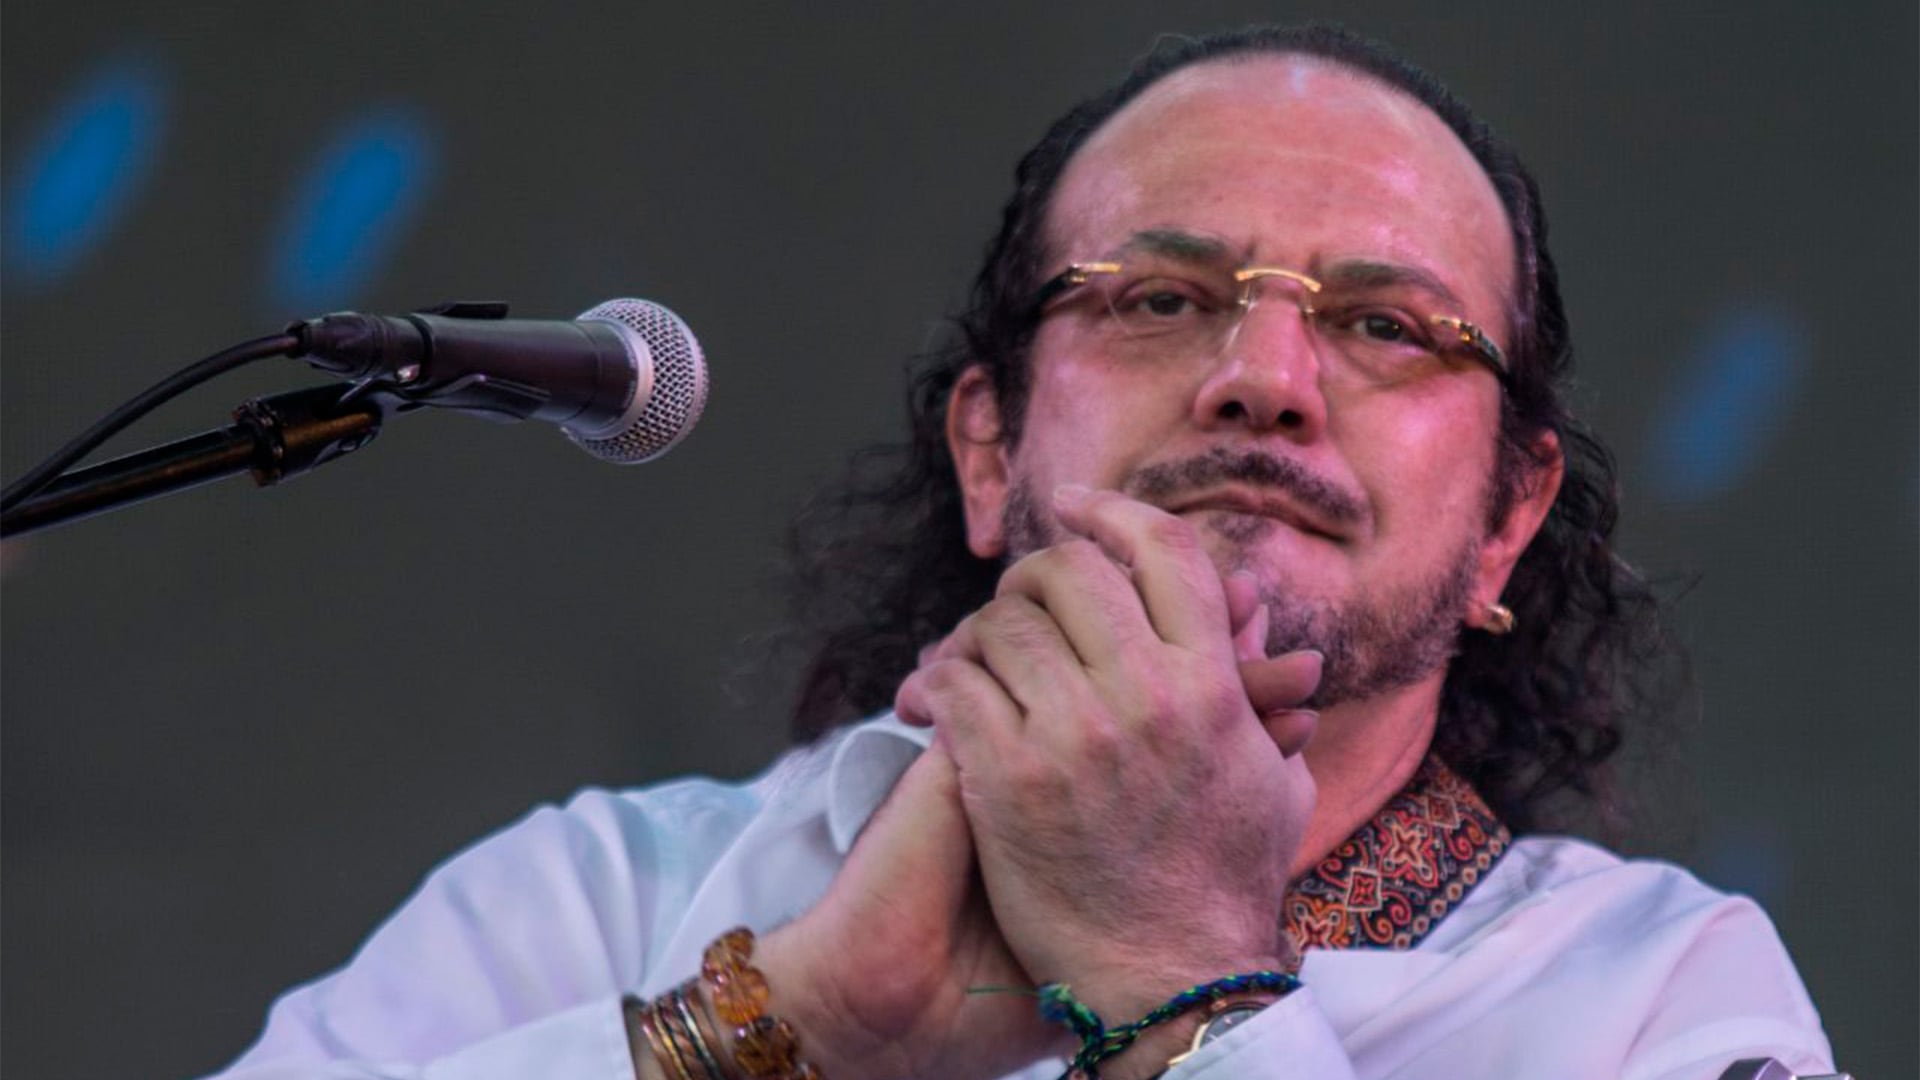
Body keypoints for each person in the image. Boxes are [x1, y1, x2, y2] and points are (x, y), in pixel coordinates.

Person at [212, 24, 1836, 1080]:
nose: (1265, 377)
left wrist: (1179, 974)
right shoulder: (597, 901)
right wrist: (791, 1025)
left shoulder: (1657, 1000)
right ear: (990, 453)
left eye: (1389, 324)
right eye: (1161, 297)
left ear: (1506, 524)